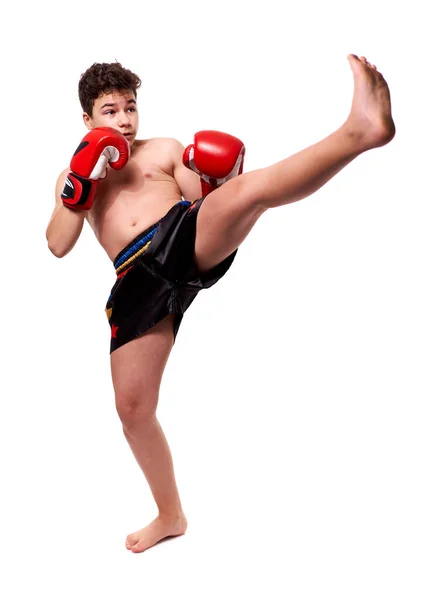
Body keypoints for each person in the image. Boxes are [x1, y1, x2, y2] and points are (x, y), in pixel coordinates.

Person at [46, 54, 395, 554]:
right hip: (133, 280)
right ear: (87, 120)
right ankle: (171, 516)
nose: (124, 120)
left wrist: (219, 181)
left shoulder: (163, 149)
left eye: (130, 107)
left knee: (249, 194)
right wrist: (82, 183)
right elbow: (58, 244)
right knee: (133, 411)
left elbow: (206, 199)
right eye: (110, 111)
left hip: (178, 238)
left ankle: (358, 132)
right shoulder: (73, 173)